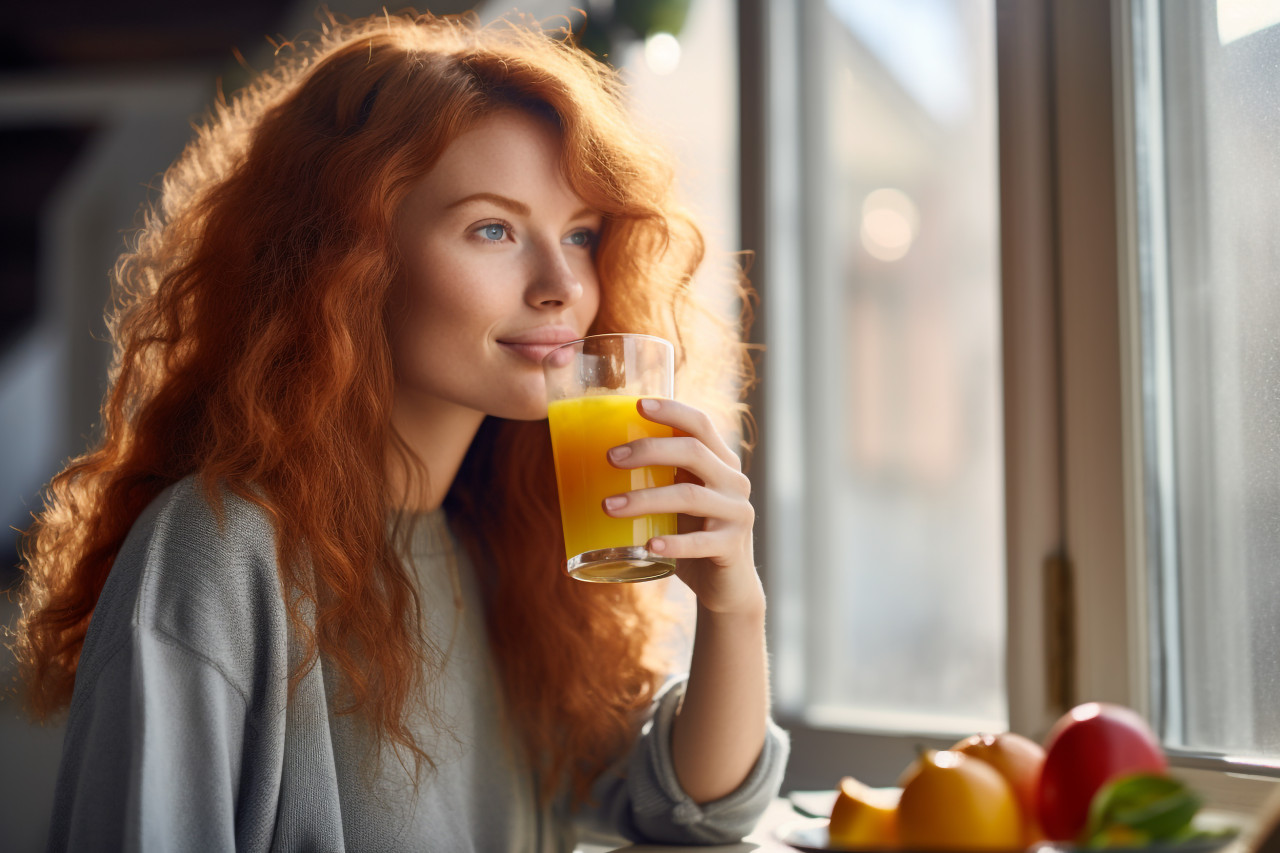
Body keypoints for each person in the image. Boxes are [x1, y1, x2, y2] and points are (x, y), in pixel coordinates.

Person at [12, 10, 788, 852]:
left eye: (581, 234)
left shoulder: (508, 541)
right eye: (493, 229)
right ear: (348, 263)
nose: (563, 283)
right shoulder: (218, 550)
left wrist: (732, 604)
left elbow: (689, 811)